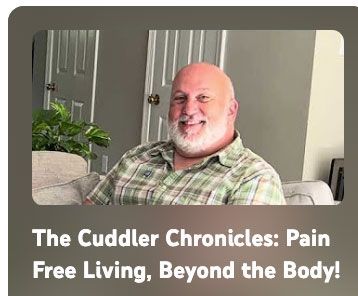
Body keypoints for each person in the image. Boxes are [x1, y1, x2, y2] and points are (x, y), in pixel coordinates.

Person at [83, 63, 285, 205]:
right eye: (180, 98)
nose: (189, 110)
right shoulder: (138, 156)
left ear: (231, 109)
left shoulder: (253, 178)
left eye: (203, 98)